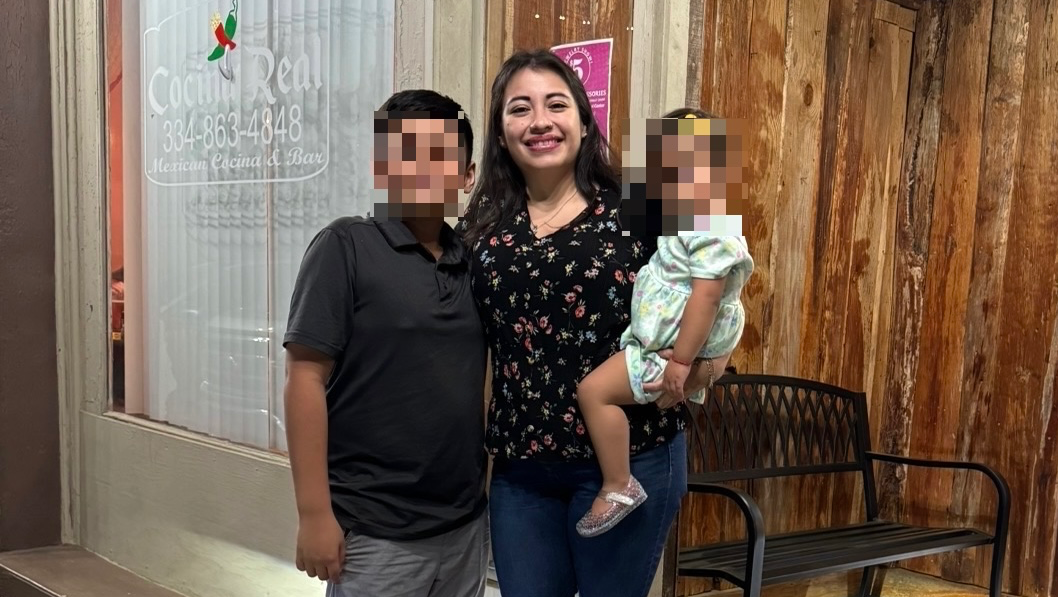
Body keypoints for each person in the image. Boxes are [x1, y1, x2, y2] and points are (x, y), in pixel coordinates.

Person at [459, 50, 717, 597]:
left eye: (556, 105)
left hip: (632, 463)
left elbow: (717, 285)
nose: (540, 121)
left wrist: (704, 366)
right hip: (521, 473)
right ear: (501, 132)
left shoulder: (642, 207)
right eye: (520, 109)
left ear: (583, 120)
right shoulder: (482, 228)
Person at [282, 89, 489, 597]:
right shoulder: (345, 246)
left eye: (440, 154)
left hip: (464, 525)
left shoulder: (472, 262)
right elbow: (304, 378)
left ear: (467, 175)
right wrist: (314, 514)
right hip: (375, 529)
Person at [574, 108, 755, 537]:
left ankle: (618, 484)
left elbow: (709, 296)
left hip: (666, 354)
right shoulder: (685, 219)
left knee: (593, 392)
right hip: (663, 347)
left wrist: (684, 362)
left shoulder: (710, 224)